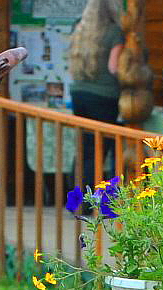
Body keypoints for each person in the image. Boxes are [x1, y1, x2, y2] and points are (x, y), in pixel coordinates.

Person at [67, 0, 122, 181]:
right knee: (100, 149)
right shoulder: (114, 32)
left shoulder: (80, 29)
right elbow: (114, 68)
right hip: (104, 97)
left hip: (79, 94)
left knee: (84, 148)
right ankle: (90, 201)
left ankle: (76, 200)